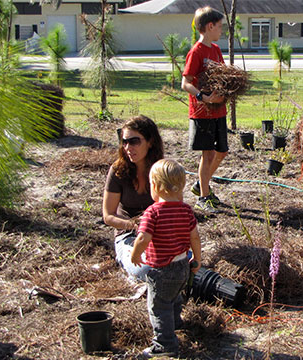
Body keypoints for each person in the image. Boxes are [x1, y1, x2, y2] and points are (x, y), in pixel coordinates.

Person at [131, 159, 202, 358]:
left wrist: (135, 253)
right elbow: (194, 236)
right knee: (175, 298)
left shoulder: (152, 212)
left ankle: (165, 345)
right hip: (182, 266)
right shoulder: (186, 210)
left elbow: (143, 237)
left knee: (159, 306)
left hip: (161, 269)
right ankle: (176, 323)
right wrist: (197, 258)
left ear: (154, 186)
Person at [102, 115, 164, 282]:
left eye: (134, 141)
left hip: (158, 233)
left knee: (182, 260)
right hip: (128, 235)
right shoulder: (117, 170)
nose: (128, 147)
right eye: (125, 141)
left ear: (150, 142)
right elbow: (108, 216)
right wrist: (133, 224)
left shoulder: (161, 170)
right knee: (146, 269)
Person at [181, 6, 227, 214]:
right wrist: (203, 96)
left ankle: (202, 183)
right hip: (202, 112)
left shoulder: (216, 50)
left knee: (222, 151)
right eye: (219, 26)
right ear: (210, 26)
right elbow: (186, 83)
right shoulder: (196, 52)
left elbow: (224, 75)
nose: (221, 30)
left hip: (219, 111)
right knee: (207, 154)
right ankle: (204, 196)